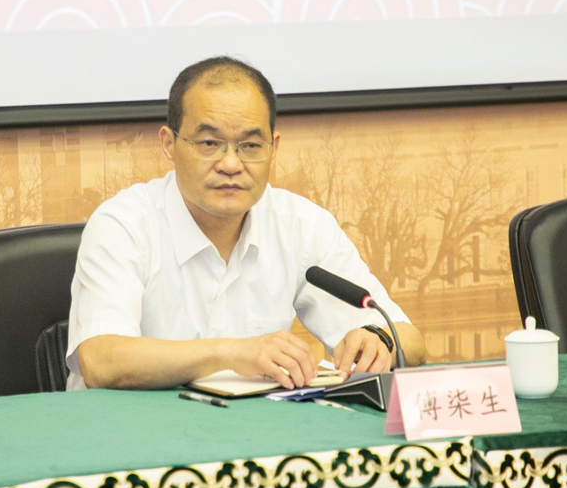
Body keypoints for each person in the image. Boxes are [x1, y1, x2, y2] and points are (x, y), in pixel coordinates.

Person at [66, 56, 425, 391]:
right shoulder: (123, 225)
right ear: (168, 144)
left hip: (255, 430)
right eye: (210, 143)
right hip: (134, 433)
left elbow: (410, 339)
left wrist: (380, 341)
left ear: (273, 148)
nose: (231, 164)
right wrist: (231, 353)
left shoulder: (302, 226)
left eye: (251, 146)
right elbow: (101, 360)